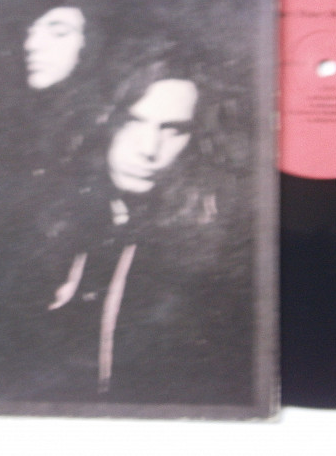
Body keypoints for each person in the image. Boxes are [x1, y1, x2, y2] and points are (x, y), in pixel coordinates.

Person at [28, 42, 248, 402]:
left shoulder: (217, 254)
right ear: (102, 120)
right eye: (132, 121)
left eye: (173, 130)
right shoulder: (47, 218)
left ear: (199, 140)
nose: (148, 149)